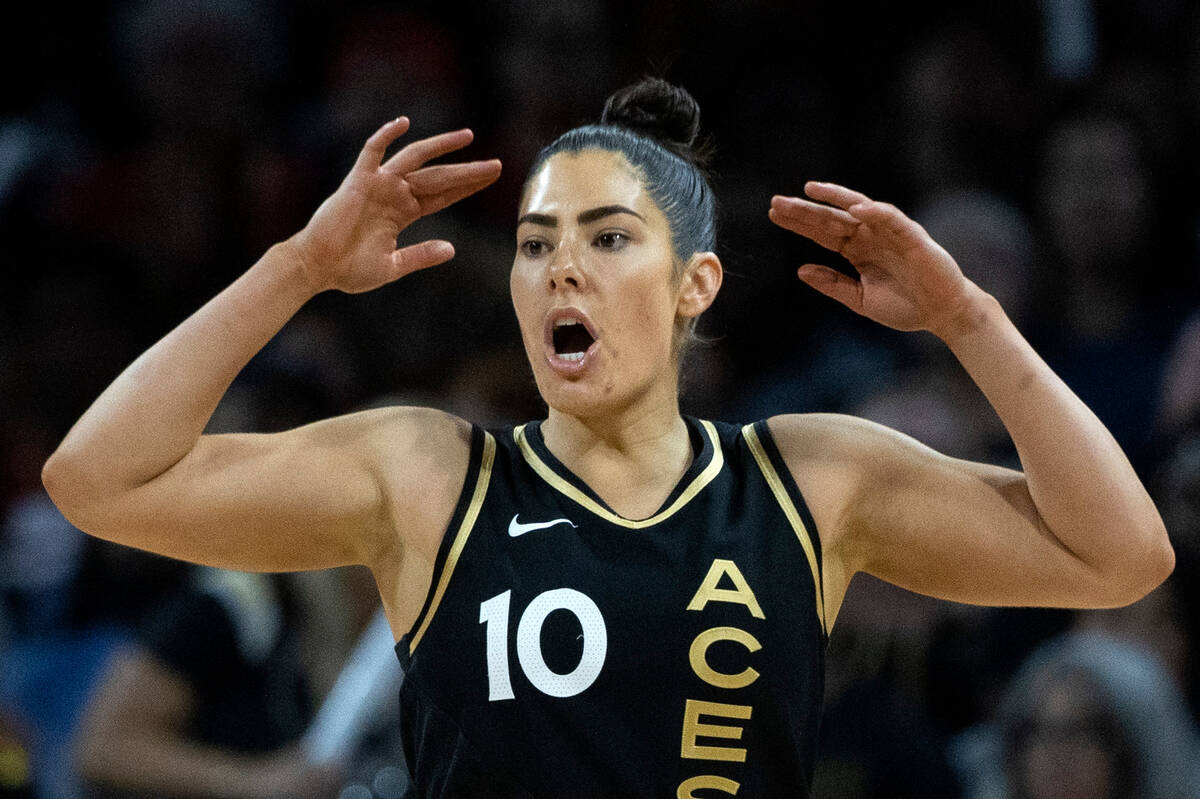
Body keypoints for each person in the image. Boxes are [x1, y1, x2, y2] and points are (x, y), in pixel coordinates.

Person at [41, 78, 1172, 797]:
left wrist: (968, 317)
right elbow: (95, 479)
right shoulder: (430, 474)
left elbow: (1122, 551)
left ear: (696, 285)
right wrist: (295, 268)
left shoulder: (808, 479)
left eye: (607, 237)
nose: (561, 267)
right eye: (535, 245)